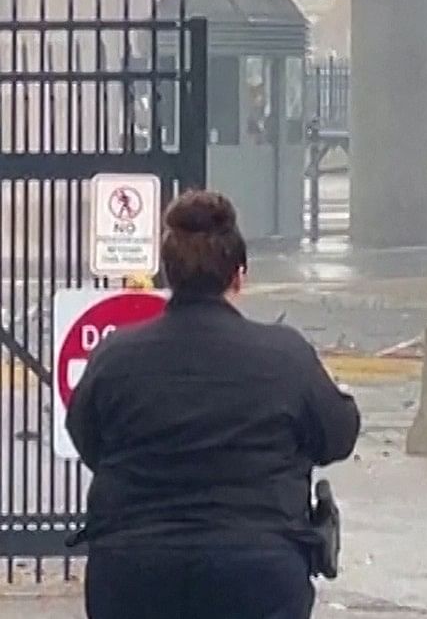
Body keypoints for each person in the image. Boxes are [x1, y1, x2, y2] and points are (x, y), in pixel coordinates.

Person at [65, 190, 361, 619]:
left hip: (134, 571)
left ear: (169, 275)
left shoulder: (116, 357)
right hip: (258, 571)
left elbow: (88, 440)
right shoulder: (284, 356)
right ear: (238, 277)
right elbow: (338, 435)